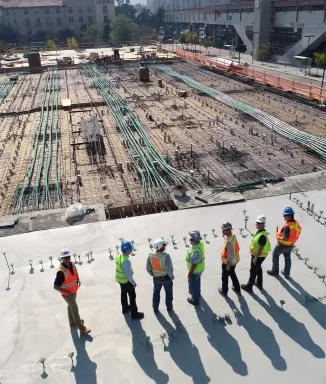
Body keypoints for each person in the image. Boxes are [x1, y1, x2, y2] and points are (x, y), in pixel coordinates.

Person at [54, 248, 91, 334]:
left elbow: (75, 273)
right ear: (61, 259)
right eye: (65, 258)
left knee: (70, 306)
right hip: (68, 294)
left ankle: (72, 321)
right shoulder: (61, 272)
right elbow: (55, 286)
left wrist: (78, 280)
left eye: (68, 257)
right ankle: (82, 328)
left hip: (74, 291)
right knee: (75, 309)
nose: (67, 259)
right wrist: (66, 292)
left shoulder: (72, 264)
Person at [267, 207, 302, 279]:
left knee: (275, 255)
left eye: (285, 216)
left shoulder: (287, 227)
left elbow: (285, 238)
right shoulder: (295, 223)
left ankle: (275, 271)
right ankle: (287, 273)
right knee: (287, 258)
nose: (284, 217)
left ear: (289, 216)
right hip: (290, 245)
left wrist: (278, 237)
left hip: (282, 245)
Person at [241, 215, 271, 292]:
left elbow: (260, 248)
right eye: (257, 223)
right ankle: (259, 283)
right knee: (258, 268)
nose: (257, 224)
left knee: (253, 270)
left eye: (260, 223)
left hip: (259, 256)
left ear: (263, 224)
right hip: (258, 255)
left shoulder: (262, 236)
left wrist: (255, 258)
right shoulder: (260, 232)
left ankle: (249, 286)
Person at [115, 241, 144, 320]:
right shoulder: (126, 261)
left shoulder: (118, 256)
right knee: (132, 296)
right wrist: (133, 283)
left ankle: (125, 308)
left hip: (120, 280)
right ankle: (134, 314)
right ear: (127, 250)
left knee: (123, 293)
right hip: (126, 281)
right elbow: (128, 274)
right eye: (130, 249)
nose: (131, 250)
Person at [146, 238, 174, 313]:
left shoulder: (150, 255)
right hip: (166, 278)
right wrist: (171, 276)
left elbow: (148, 268)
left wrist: (152, 274)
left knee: (156, 293)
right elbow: (169, 269)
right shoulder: (166, 256)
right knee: (168, 293)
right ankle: (169, 307)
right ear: (162, 247)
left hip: (156, 278)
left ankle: (155, 308)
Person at [218, 222, 241, 296]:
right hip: (234, 261)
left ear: (228, 230)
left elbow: (230, 255)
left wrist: (228, 266)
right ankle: (237, 288)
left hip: (228, 263)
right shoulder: (233, 236)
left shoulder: (229, 242)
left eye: (223, 230)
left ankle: (224, 291)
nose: (222, 231)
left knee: (224, 277)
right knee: (232, 274)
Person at [186, 230, 205, 306]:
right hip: (200, 269)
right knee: (197, 282)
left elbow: (194, 263)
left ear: (195, 240)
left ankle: (195, 300)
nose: (189, 240)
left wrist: (190, 273)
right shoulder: (200, 244)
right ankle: (198, 294)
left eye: (191, 239)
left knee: (193, 285)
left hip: (195, 271)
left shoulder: (196, 250)